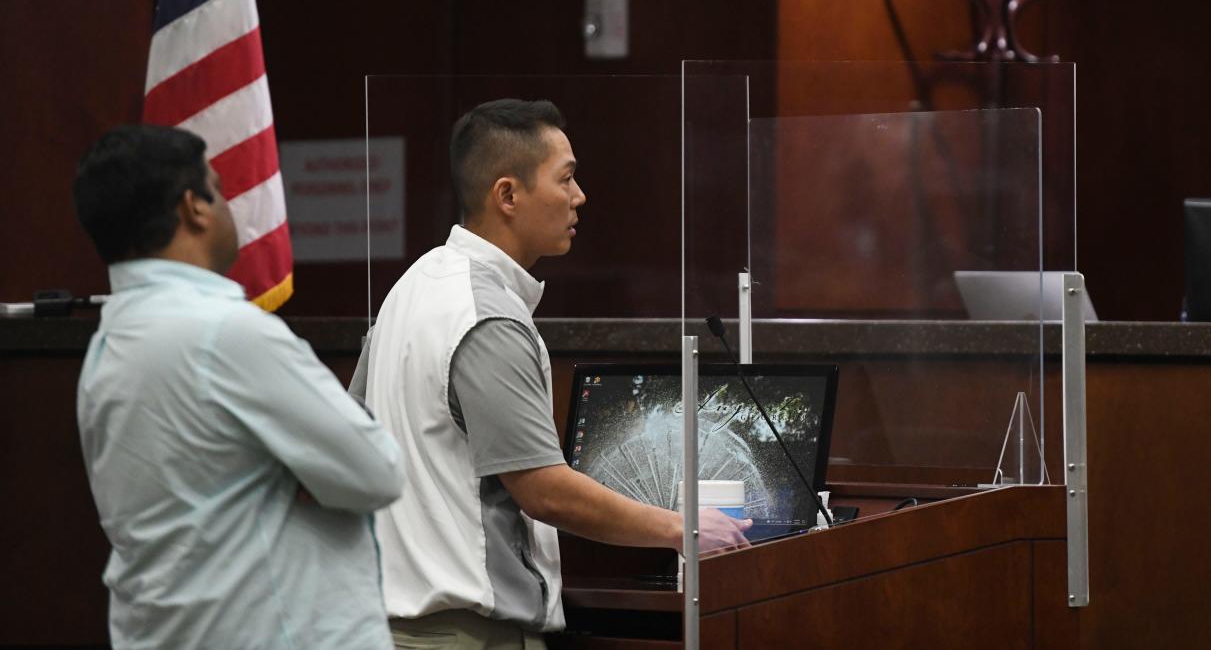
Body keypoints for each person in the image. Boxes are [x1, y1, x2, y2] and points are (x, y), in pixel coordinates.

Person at [352, 99, 751, 648]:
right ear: (508, 195)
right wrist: (683, 528)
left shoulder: (409, 289)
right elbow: (544, 492)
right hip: (468, 633)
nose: (579, 196)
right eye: (566, 178)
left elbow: (357, 440)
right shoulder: (485, 315)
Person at [73, 125, 405, 650]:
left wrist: (292, 469)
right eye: (220, 187)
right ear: (193, 208)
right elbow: (379, 471)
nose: (231, 205)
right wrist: (298, 466)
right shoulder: (226, 331)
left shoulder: (106, 346)